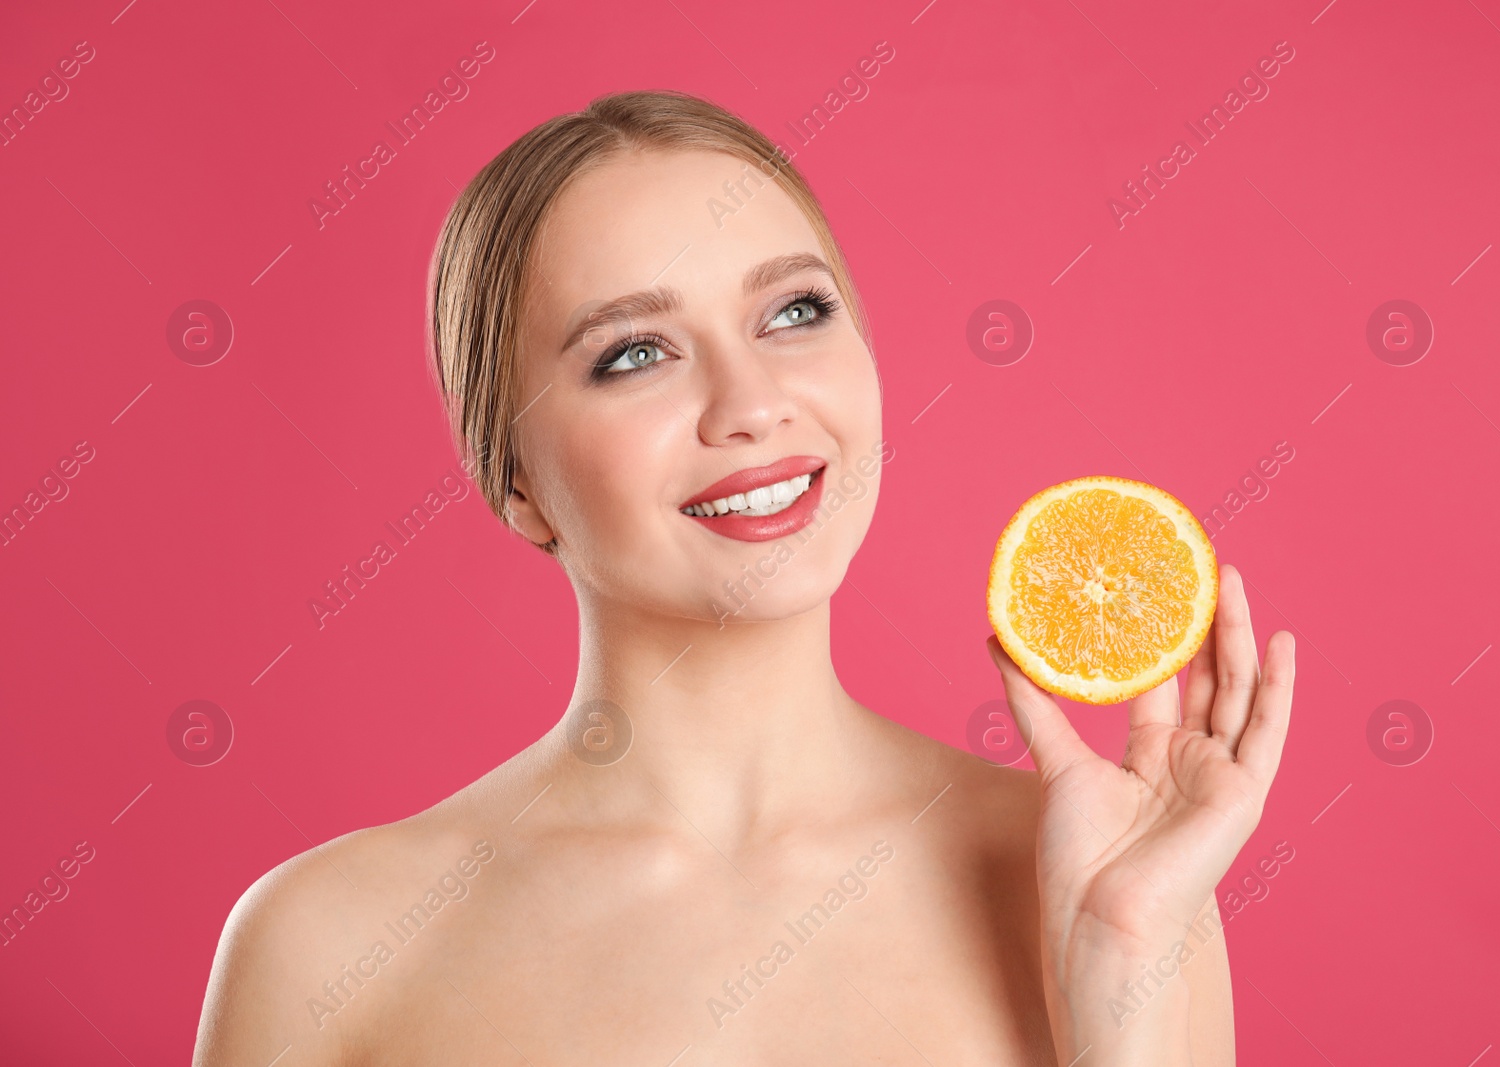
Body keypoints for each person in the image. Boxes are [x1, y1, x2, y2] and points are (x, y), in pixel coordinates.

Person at [193, 89, 1294, 1066]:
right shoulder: (327, 946)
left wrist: (1124, 973)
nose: (751, 400)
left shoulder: (1117, 880)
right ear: (516, 480)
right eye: (633, 352)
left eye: (793, 312)